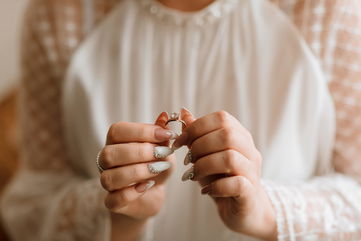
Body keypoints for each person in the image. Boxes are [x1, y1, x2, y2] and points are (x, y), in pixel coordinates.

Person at [1, 0, 361, 240]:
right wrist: (117, 215)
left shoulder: (327, 12)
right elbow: (30, 205)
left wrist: (266, 210)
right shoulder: (61, 14)